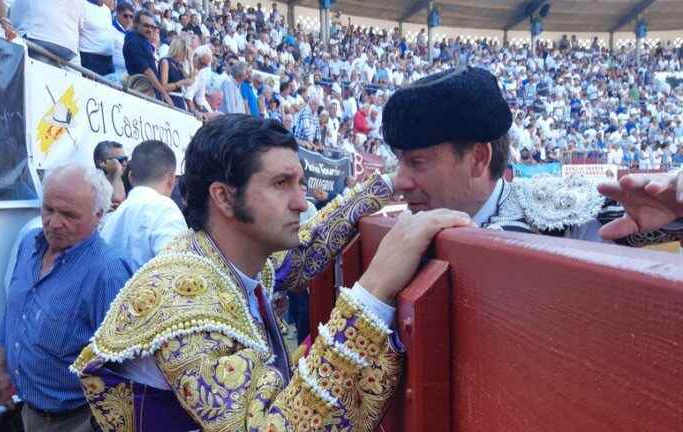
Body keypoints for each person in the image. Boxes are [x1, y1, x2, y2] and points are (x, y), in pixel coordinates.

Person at [73, 114, 472, 431]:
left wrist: (387, 183)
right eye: (282, 184)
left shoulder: (229, 260)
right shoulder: (180, 301)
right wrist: (375, 287)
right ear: (225, 197)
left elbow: (308, 248)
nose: (302, 202)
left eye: (299, 182)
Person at [382, 65, 683, 247]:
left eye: (417, 162)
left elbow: (648, 217)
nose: (401, 181)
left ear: (477, 159)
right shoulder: (405, 233)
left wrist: (678, 209)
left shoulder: (557, 215)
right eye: (401, 161)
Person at [0, 165, 132, 432]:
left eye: (68, 214)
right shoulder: (30, 243)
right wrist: (0, 368)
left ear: (98, 215)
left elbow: (123, 368)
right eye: (48, 209)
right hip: (30, 414)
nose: (53, 223)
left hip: (79, 421)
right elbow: (14, 312)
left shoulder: (109, 272)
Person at [100, 140, 187, 268]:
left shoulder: (111, 219)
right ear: (172, 179)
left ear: (131, 178)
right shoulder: (165, 210)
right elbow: (177, 274)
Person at [124, 9, 173, 105]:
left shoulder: (142, 39)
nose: (150, 29)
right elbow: (147, 71)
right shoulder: (134, 42)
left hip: (148, 89)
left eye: (152, 27)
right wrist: (164, 93)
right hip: (142, 89)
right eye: (146, 25)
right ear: (136, 24)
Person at [79, 0, 115, 76]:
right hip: (89, 58)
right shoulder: (83, 5)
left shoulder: (107, 10)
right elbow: (77, 31)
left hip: (108, 60)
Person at [93, 140, 128, 208]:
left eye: (125, 159)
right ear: (102, 162)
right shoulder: (93, 186)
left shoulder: (127, 180)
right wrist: (117, 172)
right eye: (120, 160)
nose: (125, 163)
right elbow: (118, 200)